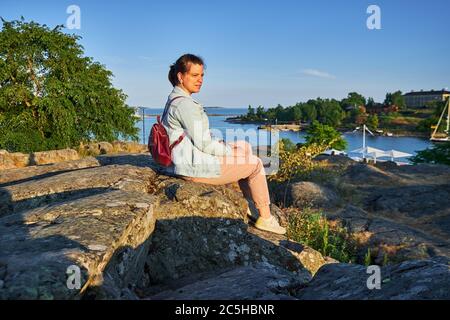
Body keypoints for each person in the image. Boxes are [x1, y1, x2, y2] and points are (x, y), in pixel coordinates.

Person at [161, 53, 285, 235]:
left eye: (202, 75)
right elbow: (204, 144)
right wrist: (228, 151)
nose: (200, 80)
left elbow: (198, 137)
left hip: (188, 158)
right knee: (256, 164)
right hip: (192, 167)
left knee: (244, 146)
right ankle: (266, 218)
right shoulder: (184, 105)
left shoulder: (178, 99)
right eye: (194, 76)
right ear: (180, 76)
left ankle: (252, 206)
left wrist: (227, 146)